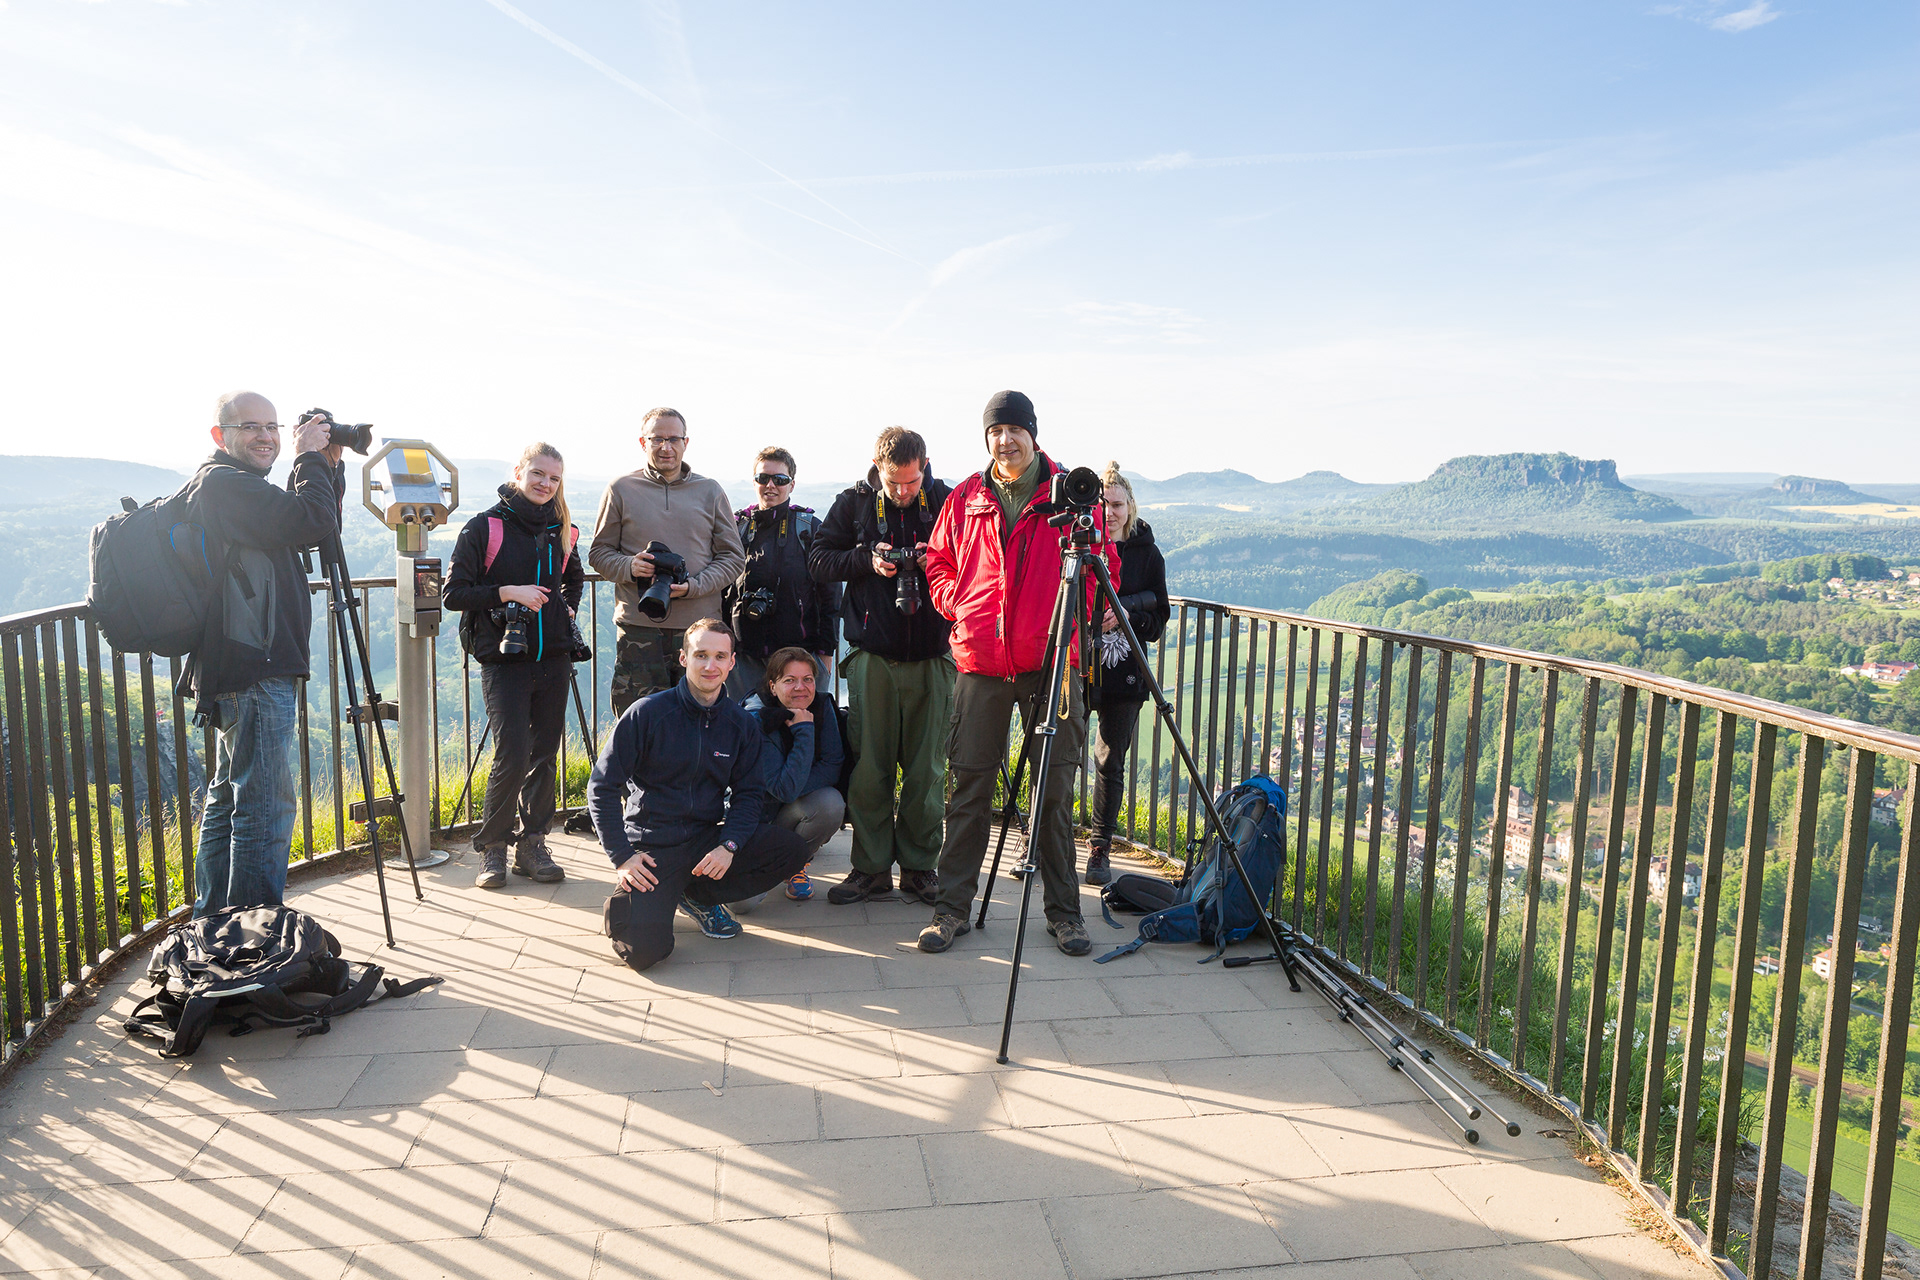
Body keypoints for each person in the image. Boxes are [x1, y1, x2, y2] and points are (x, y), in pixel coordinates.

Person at [918, 391, 1117, 956]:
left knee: (1053, 792)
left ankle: (1064, 914)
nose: (1005, 440)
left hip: (1053, 660)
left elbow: (1107, 564)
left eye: (1014, 430)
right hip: (981, 661)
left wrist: (1096, 607)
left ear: (1033, 433)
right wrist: (957, 602)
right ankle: (950, 909)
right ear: (987, 438)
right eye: (995, 431)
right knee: (969, 788)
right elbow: (938, 559)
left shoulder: (1070, 494)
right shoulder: (965, 496)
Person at [181, 391, 343, 916]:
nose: (266, 436)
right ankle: (255, 936)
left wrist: (325, 468)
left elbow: (312, 522)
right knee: (265, 806)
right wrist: (308, 458)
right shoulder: (225, 484)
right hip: (255, 665)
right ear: (219, 435)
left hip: (248, 662)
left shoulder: (239, 489)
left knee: (232, 798)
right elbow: (307, 521)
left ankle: (219, 925)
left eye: (273, 427)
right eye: (251, 426)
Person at [588, 619, 811, 971]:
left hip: (706, 839)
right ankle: (629, 905)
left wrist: (729, 845)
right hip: (653, 847)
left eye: (720, 656)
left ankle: (695, 896)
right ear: (683, 658)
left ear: (732, 662)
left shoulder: (740, 724)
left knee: (793, 850)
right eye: (701, 655)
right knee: (645, 953)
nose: (711, 666)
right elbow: (601, 787)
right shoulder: (647, 714)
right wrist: (622, 857)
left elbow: (749, 795)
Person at [807, 427, 953, 906]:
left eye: (913, 482)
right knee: (869, 768)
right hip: (872, 654)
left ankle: (919, 868)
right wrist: (866, 560)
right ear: (878, 469)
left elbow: (974, 561)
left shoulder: (947, 503)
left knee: (927, 769)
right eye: (895, 483)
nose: (905, 492)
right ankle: (869, 869)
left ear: (925, 466)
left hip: (934, 654)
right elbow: (819, 560)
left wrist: (933, 561)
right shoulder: (854, 503)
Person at [444, 443, 586, 889]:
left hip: (554, 656)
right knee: (512, 752)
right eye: (538, 474)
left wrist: (567, 612)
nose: (545, 484)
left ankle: (533, 843)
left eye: (554, 478)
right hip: (504, 659)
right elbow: (454, 594)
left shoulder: (563, 529)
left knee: (544, 752)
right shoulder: (485, 527)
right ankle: (493, 849)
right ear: (519, 472)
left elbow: (574, 580)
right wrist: (508, 592)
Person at [588, 407, 746, 715]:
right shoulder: (620, 489)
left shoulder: (710, 490)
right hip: (639, 628)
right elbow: (599, 552)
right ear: (642, 442)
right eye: (657, 438)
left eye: (673, 439)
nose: (666, 447)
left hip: (700, 632)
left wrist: (692, 587)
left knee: (700, 719)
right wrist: (630, 567)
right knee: (638, 720)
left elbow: (732, 557)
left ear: (686, 442)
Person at [1083, 464, 1170, 886]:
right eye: (1103, 503)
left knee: (1109, 761)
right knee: (1058, 756)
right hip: (1077, 669)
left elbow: (1160, 619)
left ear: (1131, 506)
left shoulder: (1148, 555)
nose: (1110, 512)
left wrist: (1127, 611)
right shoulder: (1079, 546)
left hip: (1125, 675)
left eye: (1117, 504)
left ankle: (1100, 846)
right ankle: (1043, 838)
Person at [722, 447, 840, 700]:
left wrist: (825, 656)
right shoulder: (737, 528)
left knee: (800, 729)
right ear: (754, 482)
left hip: (800, 656)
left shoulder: (808, 529)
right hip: (744, 657)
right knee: (746, 731)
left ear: (792, 484)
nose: (771, 485)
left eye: (780, 479)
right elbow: (721, 591)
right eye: (763, 478)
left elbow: (830, 598)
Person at [737, 646, 846, 905]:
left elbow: (833, 763)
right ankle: (768, 862)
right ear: (773, 686)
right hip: (755, 820)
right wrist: (804, 731)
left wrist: (793, 788)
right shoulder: (755, 718)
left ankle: (795, 862)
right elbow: (782, 788)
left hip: (790, 807)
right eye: (790, 680)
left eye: (807, 679)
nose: (801, 687)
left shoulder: (820, 706)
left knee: (829, 804)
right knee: (742, 906)